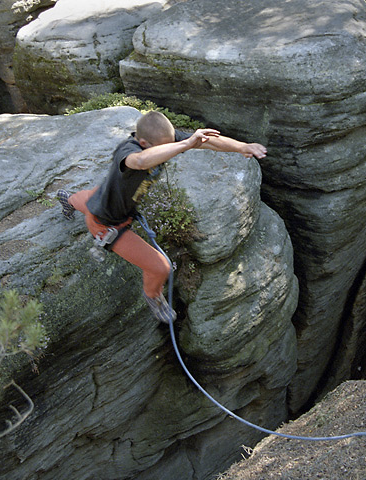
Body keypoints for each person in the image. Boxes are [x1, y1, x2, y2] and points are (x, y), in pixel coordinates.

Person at [57, 111, 267, 323]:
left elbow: (207, 142)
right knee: (160, 268)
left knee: (87, 200)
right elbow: (139, 162)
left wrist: (242, 147)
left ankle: (68, 199)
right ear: (143, 142)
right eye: (165, 148)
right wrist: (184, 146)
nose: (170, 151)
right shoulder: (129, 152)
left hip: (104, 198)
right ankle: (152, 297)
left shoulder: (160, 140)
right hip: (108, 224)